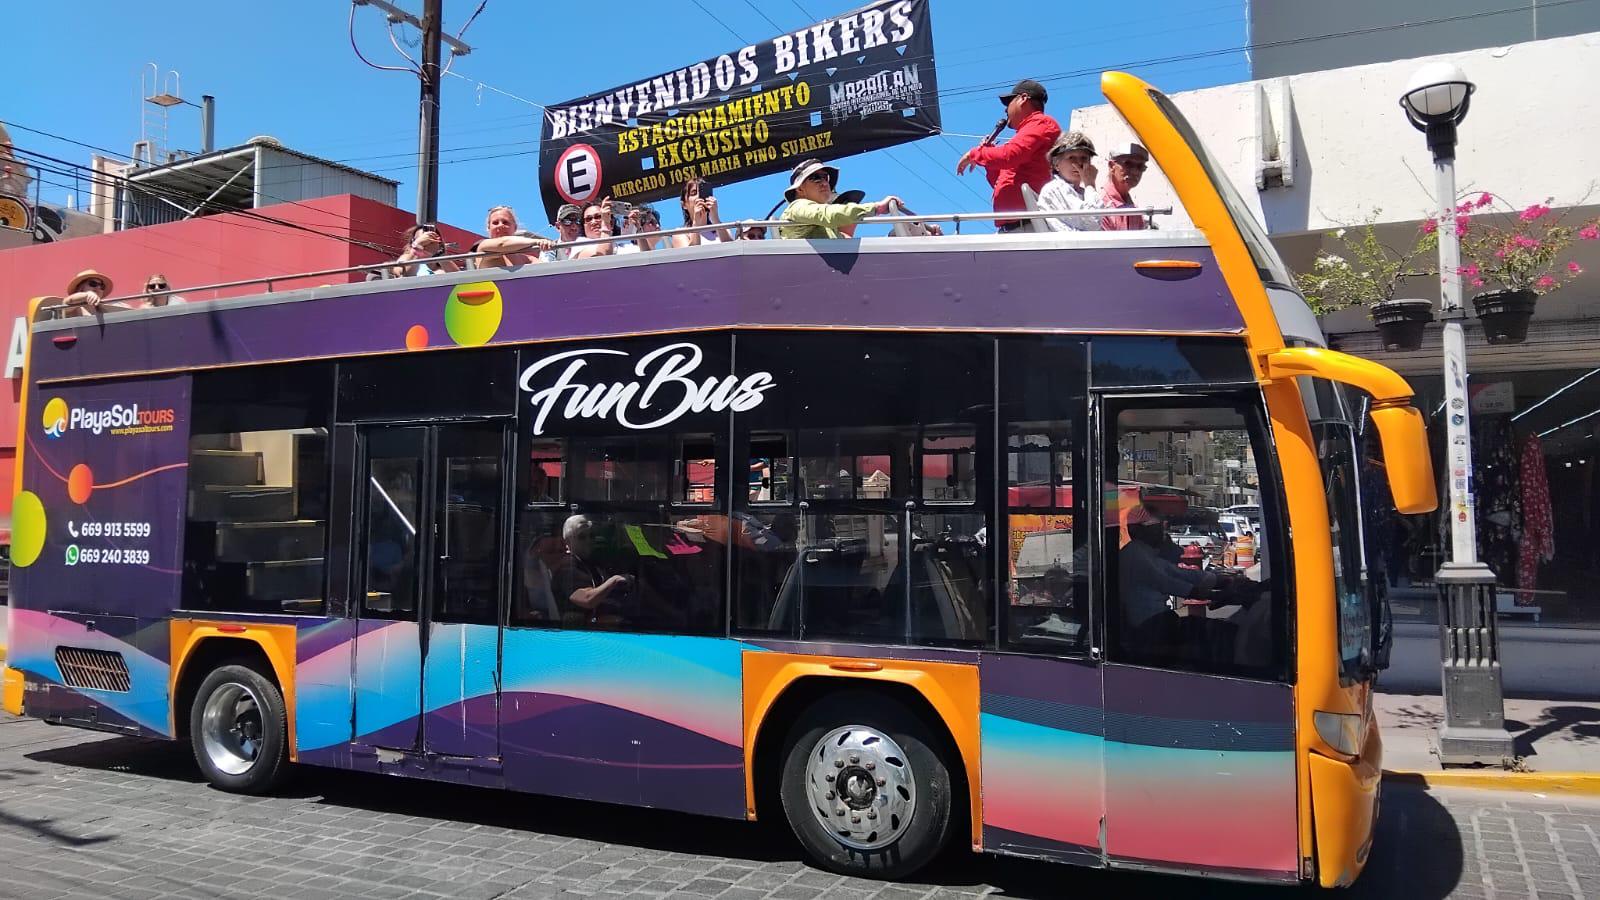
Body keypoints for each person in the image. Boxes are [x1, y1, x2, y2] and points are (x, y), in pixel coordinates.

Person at [956, 79, 1061, 232]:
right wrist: (988, 159)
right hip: (1015, 228)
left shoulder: (1041, 123)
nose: (1005, 110)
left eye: (1008, 102)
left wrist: (976, 154)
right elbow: (1002, 183)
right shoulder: (1027, 133)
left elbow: (1009, 156)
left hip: (1029, 226)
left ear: (1023, 99)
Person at [778, 159, 906, 240]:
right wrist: (876, 208)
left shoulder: (828, 228)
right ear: (800, 189)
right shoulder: (797, 206)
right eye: (815, 177)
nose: (824, 183)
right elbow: (829, 214)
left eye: (825, 177)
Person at [550, 514, 634, 626]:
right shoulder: (566, 568)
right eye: (581, 537)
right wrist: (614, 580)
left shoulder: (592, 564)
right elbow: (587, 599)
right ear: (568, 542)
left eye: (592, 535)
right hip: (577, 634)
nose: (588, 540)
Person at [1036, 132, 1102, 232]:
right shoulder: (1055, 188)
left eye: (1084, 158)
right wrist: (1090, 184)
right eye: (1072, 158)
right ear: (1056, 164)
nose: (1079, 163)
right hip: (1068, 246)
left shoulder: (1082, 193)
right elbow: (1092, 222)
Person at [471, 206, 552, 268]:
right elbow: (502, 243)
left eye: (505, 222)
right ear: (488, 228)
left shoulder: (528, 260)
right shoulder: (483, 247)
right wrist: (537, 241)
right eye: (495, 223)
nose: (500, 225)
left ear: (515, 227)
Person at [1098, 143, 1152, 231]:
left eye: (1140, 166)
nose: (1135, 171)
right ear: (1112, 166)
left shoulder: (1134, 210)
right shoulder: (1100, 204)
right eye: (1128, 164)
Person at [671, 178, 734, 248]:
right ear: (684, 205)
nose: (698, 197)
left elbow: (733, 250)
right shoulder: (680, 233)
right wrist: (696, 224)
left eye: (702, 192)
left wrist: (715, 219)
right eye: (693, 193)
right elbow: (690, 256)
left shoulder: (723, 228)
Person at [390, 223, 464, 278]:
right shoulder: (406, 258)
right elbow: (403, 275)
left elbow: (460, 279)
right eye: (423, 240)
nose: (427, 243)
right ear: (413, 242)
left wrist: (439, 253)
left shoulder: (443, 267)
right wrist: (418, 246)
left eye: (431, 240)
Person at [60, 269, 131, 318]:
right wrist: (87, 295)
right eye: (93, 283)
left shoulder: (103, 309)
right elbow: (68, 302)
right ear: (80, 287)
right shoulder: (74, 308)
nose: (98, 287)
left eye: (102, 286)